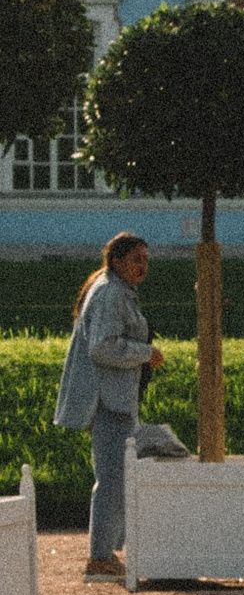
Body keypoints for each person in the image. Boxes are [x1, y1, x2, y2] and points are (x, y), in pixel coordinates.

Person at [55, 232, 163, 575]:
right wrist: (145, 353)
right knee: (113, 479)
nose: (143, 266)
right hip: (108, 399)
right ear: (117, 261)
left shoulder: (112, 288)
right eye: (136, 260)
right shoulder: (111, 293)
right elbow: (102, 347)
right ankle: (100, 557)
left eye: (146, 260)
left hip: (114, 397)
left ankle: (107, 553)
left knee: (119, 476)